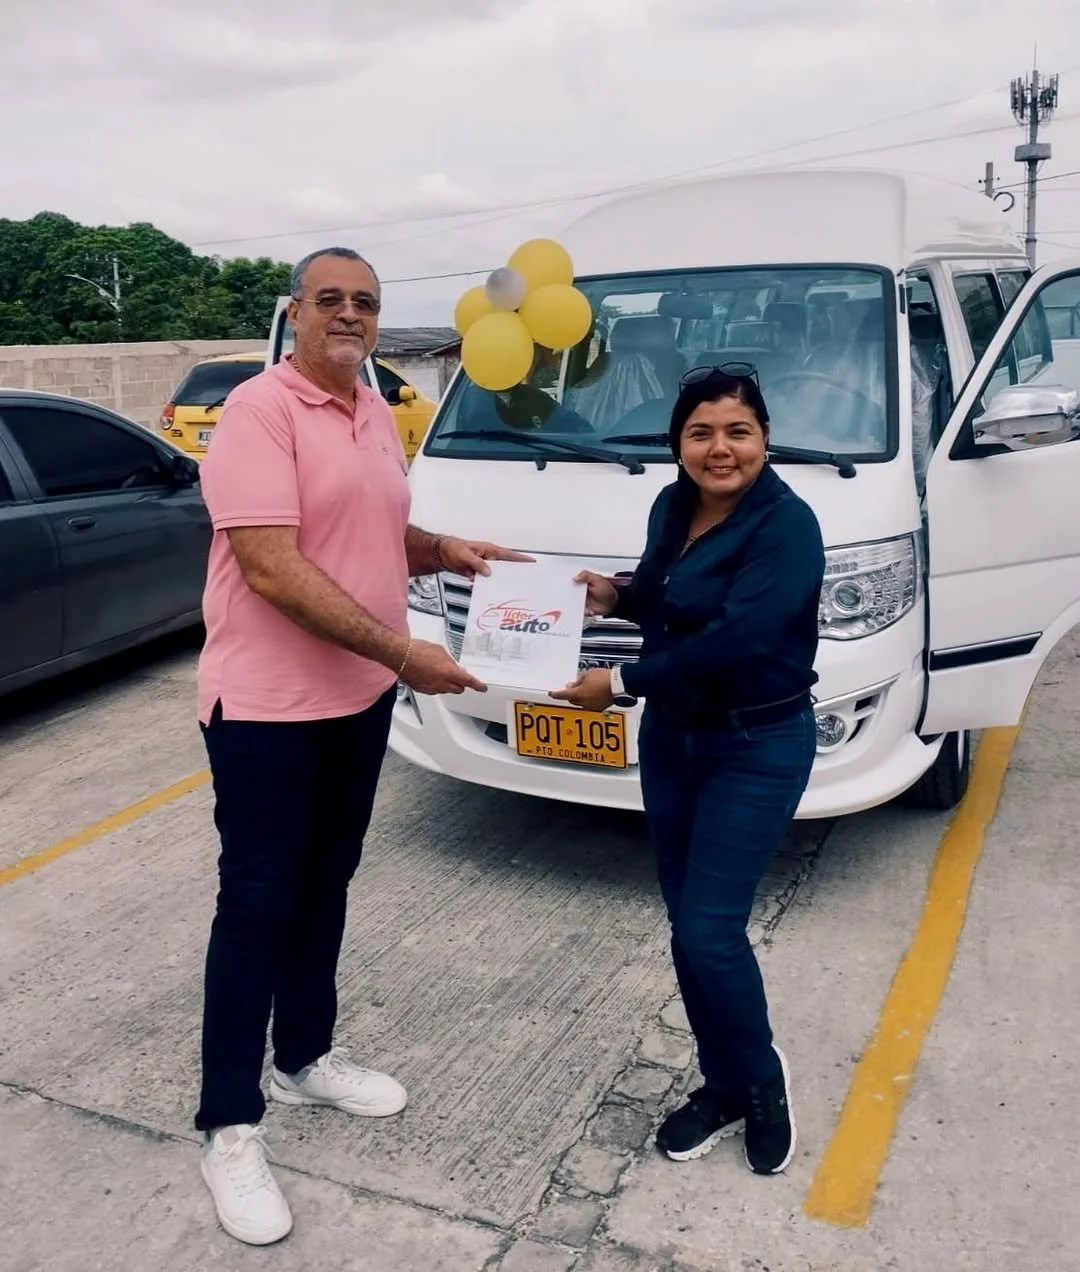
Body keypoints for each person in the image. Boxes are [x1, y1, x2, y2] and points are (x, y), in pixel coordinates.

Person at [193, 246, 529, 1246]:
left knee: (326, 882)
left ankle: (304, 1058)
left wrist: (444, 549)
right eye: (330, 299)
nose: (349, 314)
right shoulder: (257, 412)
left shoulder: (373, 407)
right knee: (257, 902)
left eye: (366, 303)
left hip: (356, 698)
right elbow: (272, 565)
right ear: (295, 311)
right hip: (266, 707)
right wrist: (404, 652)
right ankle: (229, 1123)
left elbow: (373, 532)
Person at [551, 365, 824, 1176]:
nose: (719, 449)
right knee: (688, 928)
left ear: (766, 438)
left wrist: (619, 683)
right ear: (677, 444)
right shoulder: (673, 505)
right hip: (675, 742)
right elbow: (668, 598)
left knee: (710, 931)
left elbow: (739, 638)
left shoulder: (788, 525)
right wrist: (616, 594)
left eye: (738, 431)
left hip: (756, 746)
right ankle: (723, 1083)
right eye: (700, 433)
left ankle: (762, 1083)